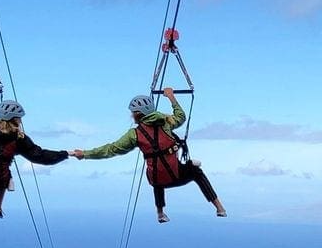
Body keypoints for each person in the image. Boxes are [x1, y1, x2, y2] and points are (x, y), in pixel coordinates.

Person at [73, 87, 226, 223]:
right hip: (178, 175)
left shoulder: (135, 134)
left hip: (159, 180)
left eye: (133, 113)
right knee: (196, 172)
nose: (131, 116)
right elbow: (181, 116)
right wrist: (171, 96)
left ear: (139, 114)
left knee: (155, 173)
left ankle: (160, 213)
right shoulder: (166, 122)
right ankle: (219, 207)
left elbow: (111, 149)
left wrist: (85, 154)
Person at [0, 85, 69, 226]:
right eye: (19, 118)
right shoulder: (19, 139)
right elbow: (41, 156)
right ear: (15, 119)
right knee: (4, 172)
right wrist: (66, 153)